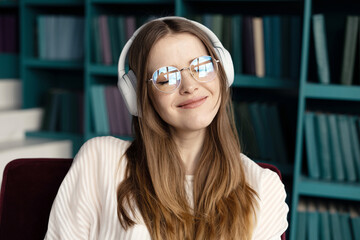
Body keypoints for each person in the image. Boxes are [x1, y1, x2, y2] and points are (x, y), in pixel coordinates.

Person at [45, 16, 288, 240]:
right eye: (166, 77)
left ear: (222, 72)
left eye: (201, 66)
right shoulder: (100, 160)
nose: (189, 86)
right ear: (139, 96)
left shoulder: (263, 188)